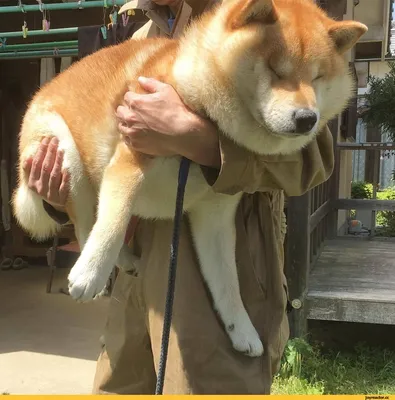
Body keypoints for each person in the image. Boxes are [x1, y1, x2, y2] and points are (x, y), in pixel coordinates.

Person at [23, 0, 334, 394]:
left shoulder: (269, 20)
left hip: (224, 272)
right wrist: (60, 195)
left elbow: (313, 158)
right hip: (135, 283)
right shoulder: (140, 31)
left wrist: (196, 139)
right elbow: (108, 158)